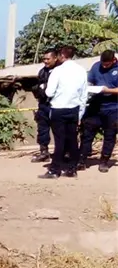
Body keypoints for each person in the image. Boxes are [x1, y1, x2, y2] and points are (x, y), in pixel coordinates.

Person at [41, 45, 87, 179]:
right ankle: (72, 169)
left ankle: (55, 169)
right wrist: (80, 113)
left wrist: (44, 89)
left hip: (58, 109)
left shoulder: (57, 71)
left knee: (59, 141)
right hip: (74, 109)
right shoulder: (81, 70)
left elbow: (49, 92)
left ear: (61, 56)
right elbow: (84, 94)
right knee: (72, 140)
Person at [79, 50, 118, 173]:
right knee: (87, 133)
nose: (104, 66)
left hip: (113, 108)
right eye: (103, 64)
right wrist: (89, 87)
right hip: (95, 107)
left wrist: (108, 90)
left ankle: (104, 161)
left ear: (114, 60)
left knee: (110, 136)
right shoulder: (96, 66)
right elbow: (89, 81)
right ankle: (82, 159)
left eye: (107, 64)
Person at [31, 49, 58, 163]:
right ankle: (44, 152)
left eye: (48, 59)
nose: (46, 61)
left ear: (55, 58)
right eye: (44, 59)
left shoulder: (60, 71)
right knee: (42, 130)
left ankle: (63, 153)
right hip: (43, 105)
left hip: (56, 105)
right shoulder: (42, 71)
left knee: (59, 131)